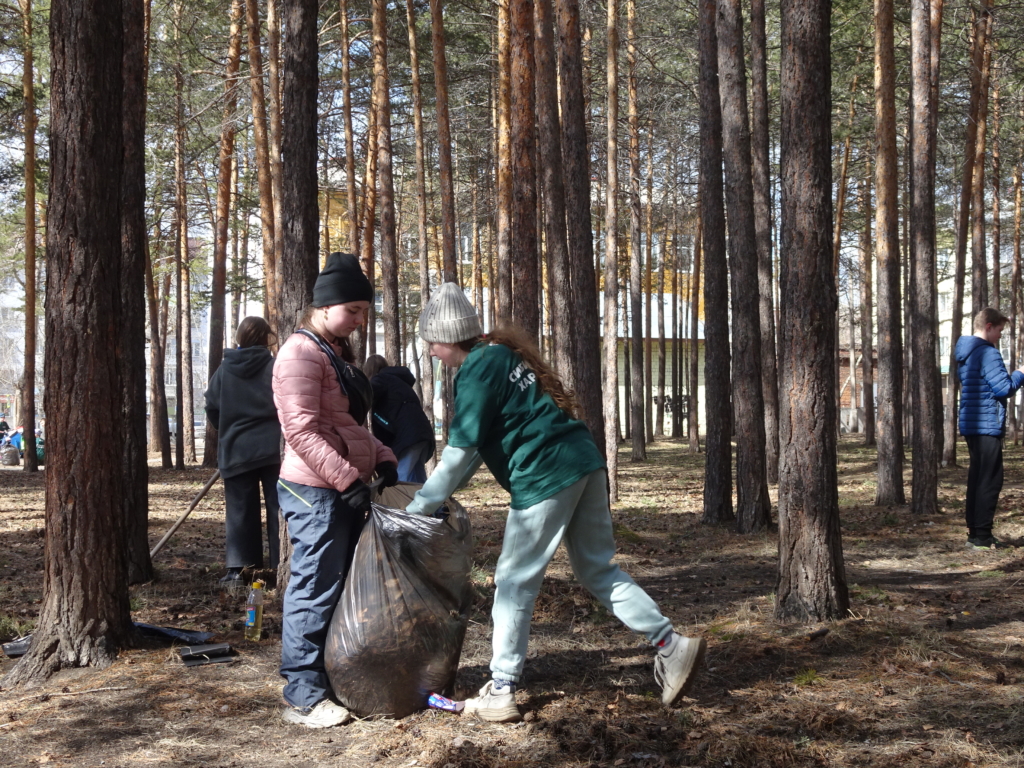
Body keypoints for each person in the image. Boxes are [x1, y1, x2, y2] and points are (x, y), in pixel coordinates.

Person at [405, 283, 706, 723]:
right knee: (598, 569)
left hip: (545, 475)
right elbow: (470, 454)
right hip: (583, 462)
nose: (430, 351)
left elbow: (459, 452)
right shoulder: (501, 356)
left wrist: (417, 510)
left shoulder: (477, 369)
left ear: (448, 337)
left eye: (431, 342)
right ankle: (672, 645)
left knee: (512, 583)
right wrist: (438, 496)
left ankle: (502, 687)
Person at [273, 251, 399, 729]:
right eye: (353, 310)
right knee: (315, 587)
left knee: (338, 585)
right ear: (324, 307)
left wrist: (381, 455)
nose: (360, 321)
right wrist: (348, 480)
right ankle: (302, 693)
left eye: (365, 311)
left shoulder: (331, 352)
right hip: (315, 491)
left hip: (340, 487)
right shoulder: (299, 354)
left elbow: (342, 423)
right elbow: (301, 432)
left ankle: (332, 678)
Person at [204, 316, 282, 585]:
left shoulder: (224, 370)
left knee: (240, 510)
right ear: (265, 337)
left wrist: (226, 427)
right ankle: (282, 562)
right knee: (278, 507)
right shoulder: (275, 367)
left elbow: (211, 406)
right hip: (272, 450)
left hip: (236, 450)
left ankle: (238, 570)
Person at [955, 306, 1024, 550]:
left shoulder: (965, 352)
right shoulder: (987, 353)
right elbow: (1004, 389)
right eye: (1000, 331)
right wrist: (1020, 373)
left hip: (973, 424)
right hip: (986, 424)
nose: (1000, 336)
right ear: (988, 327)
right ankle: (982, 536)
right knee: (990, 481)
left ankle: (975, 534)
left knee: (977, 478)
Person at [362, 354, 436, 483]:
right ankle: (429, 503)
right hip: (422, 435)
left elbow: (364, 396)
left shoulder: (381, 380)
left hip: (409, 438)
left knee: (399, 480)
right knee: (416, 479)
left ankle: (401, 504)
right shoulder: (400, 383)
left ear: (369, 370)